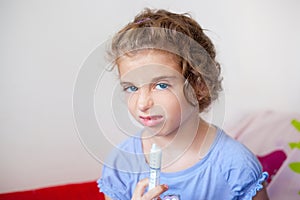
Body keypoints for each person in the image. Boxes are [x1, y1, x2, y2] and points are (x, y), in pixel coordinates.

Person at [97, 8, 269, 200]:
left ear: (199, 85)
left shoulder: (236, 166)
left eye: (161, 85)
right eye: (131, 87)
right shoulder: (121, 164)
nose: (143, 103)